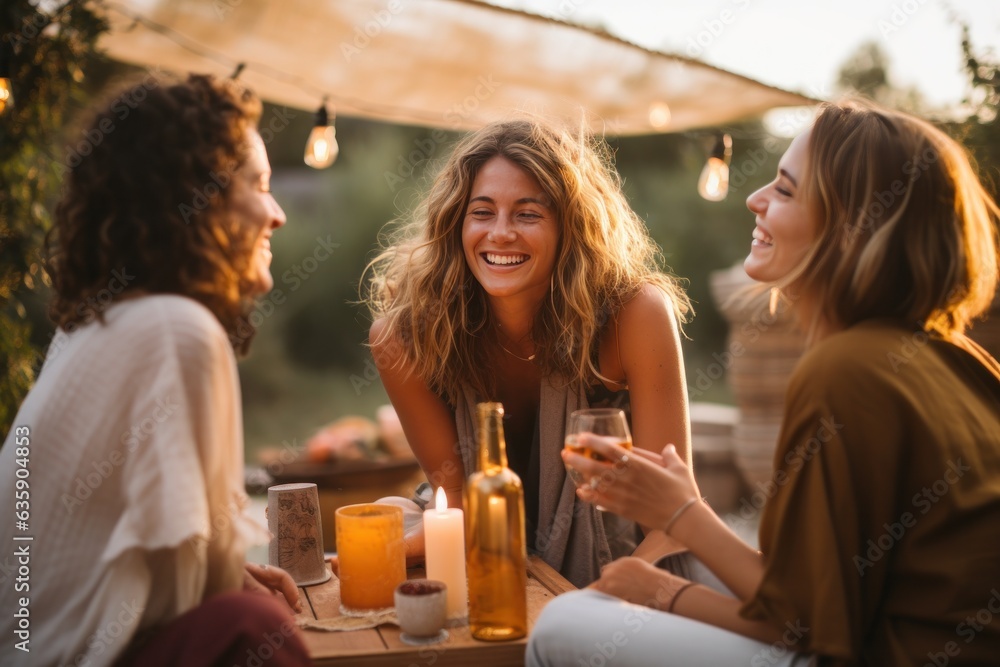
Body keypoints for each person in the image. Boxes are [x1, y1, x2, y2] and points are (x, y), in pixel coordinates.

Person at [528, 98, 1000, 666]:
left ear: (851, 228)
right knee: (683, 565)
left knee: (562, 623)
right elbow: (814, 591)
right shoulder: (957, 357)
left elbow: (810, 624)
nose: (755, 199)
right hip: (880, 631)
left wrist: (673, 543)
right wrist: (677, 549)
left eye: (785, 190)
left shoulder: (848, 370)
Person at [0, 74, 309, 666]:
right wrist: (229, 583)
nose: (277, 215)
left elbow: (161, 554)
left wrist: (226, 573)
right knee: (250, 626)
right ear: (199, 197)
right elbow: (197, 586)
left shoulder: (94, 326)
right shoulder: (175, 329)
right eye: (260, 186)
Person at [364, 118, 692, 587]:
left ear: (571, 227)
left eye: (527, 214)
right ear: (457, 223)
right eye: (482, 212)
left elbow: (675, 515)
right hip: (485, 549)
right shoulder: (405, 337)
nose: (500, 233)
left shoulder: (635, 315)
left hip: (631, 568)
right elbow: (453, 499)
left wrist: (602, 601)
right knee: (390, 513)